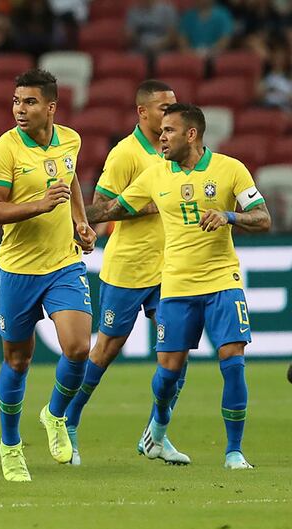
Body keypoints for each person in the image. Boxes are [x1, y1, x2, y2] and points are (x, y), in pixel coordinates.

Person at [97, 103, 271, 469]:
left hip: (223, 279)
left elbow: (263, 218)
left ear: (191, 135)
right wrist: (77, 216)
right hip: (175, 285)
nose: (161, 137)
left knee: (233, 362)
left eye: (169, 131)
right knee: (168, 373)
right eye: (160, 131)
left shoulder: (230, 169)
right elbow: (113, 209)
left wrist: (228, 216)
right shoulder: (155, 175)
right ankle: (157, 428)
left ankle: (234, 452)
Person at [63, 80, 190, 467]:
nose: (170, 113)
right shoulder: (125, 154)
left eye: (174, 107)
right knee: (105, 350)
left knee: (177, 353)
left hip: (171, 268)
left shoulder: (178, 151)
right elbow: (98, 208)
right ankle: (68, 421)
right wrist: (151, 206)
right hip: (129, 269)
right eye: (163, 108)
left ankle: (157, 434)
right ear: (142, 112)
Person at [0, 69, 96, 481]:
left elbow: (70, 181)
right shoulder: (5, 151)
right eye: (15, 101)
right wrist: (40, 205)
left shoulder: (71, 139)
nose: (19, 110)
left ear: (50, 106)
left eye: (28, 102)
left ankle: (55, 415)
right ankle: (10, 445)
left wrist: (79, 221)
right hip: (18, 269)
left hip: (63, 263)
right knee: (18, 359)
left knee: (79, 347)